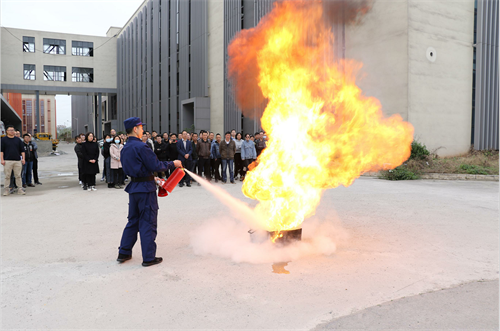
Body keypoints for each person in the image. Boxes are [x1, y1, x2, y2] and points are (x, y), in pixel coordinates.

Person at [117, 117, 182, 267]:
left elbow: (137, 168)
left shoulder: (126, 147)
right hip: (145, 189)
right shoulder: (142, 147)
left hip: (134, 187)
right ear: (135, 129)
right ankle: (148, 257)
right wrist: (174, 163)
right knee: (147, 222)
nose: (142, 130)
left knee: (133, 221)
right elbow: (156, 164)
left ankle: (124, 252)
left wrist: (152, 177)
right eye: (140, 127)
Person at [1, 126, 25, 195]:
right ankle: (6, 190)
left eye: (13, 130)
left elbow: (22, 150)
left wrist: (23, 159)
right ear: (7, 131)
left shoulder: (18, 140)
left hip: (17, 161)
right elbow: (1, 151)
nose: (12, 131)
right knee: (7, 176)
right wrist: (2, 160)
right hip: (7, 160)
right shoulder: (3, 140)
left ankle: (20, 189)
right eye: (10, 130)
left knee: (18, 175)